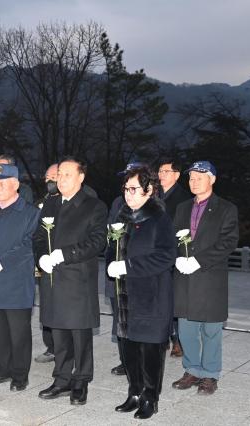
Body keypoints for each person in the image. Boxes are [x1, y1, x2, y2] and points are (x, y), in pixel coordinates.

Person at [34, 156, 107, 406]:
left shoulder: (93, 206)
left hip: (77, 280)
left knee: (79, 333)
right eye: (59, 175)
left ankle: (81, 380)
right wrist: (42, 257)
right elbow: (38, 237)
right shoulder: (50, 204)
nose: (61, 179)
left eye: (67, 174)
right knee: (59, 331)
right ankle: (62, 378)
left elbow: (98, 241)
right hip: (53, 279)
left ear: (80, 177)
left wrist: (64, 255)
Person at [107, 164, 176, 419]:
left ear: (149, 190)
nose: (129, 194)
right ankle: (134, 391)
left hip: (152, 296)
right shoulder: (122, 218)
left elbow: (167, 256)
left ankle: (150, 397)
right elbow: (111, 250)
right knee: (129, 348)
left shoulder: (159, 219)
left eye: (134, 189)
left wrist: (128, 265)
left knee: (150, 351)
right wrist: (112, 262)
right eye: (126, 189)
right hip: (125, 296)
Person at [171, 161, 239, 396]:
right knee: (187, 330)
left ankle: (210, 374)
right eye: (191, 178)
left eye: (200, 177)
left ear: (212, 179)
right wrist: (177, 258)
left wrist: (199, 260)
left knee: (211, 330)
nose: (194, 181)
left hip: (210, 277)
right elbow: (173, 238)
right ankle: (192, 370)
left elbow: (228, 242)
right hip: (185, 278)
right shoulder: (181, 208)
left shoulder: (226, 208)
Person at [0, 164, 40, 391]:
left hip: (15, 282)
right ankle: (2, 369)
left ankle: (20, 375)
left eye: (3, 182)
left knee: (18, 332)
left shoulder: (30, 212)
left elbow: (28, 245)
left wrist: (2, 262)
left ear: (15, 185)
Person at [105, 162, 146, 377]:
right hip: (117, 273)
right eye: (125, 179)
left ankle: (140, 362)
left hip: (138, 273)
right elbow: (110, 235)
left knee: (139, 320)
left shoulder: (152, 207)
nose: (127, 184)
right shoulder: (117, 203)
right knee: (119, 320)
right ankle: (126, 360)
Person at [157, 159, 191, 357]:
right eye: (160, 171)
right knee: (160, 299)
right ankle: (162, 337)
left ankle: (178, 339)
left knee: (175, 300)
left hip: (175, 254)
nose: (161, 174)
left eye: (166, 171)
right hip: (156, 253)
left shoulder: (183, 198)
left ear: (177, 175)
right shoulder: (154, 194)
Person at [34, 163, 59, 364]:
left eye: (54, 176)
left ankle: (64, 349)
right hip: (46, 263)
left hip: (64, 262)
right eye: (47, 178)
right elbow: (39, 233)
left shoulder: (78, 201)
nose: (50, 181)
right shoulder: (45, 201)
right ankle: (51, 346)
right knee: (47, 306)